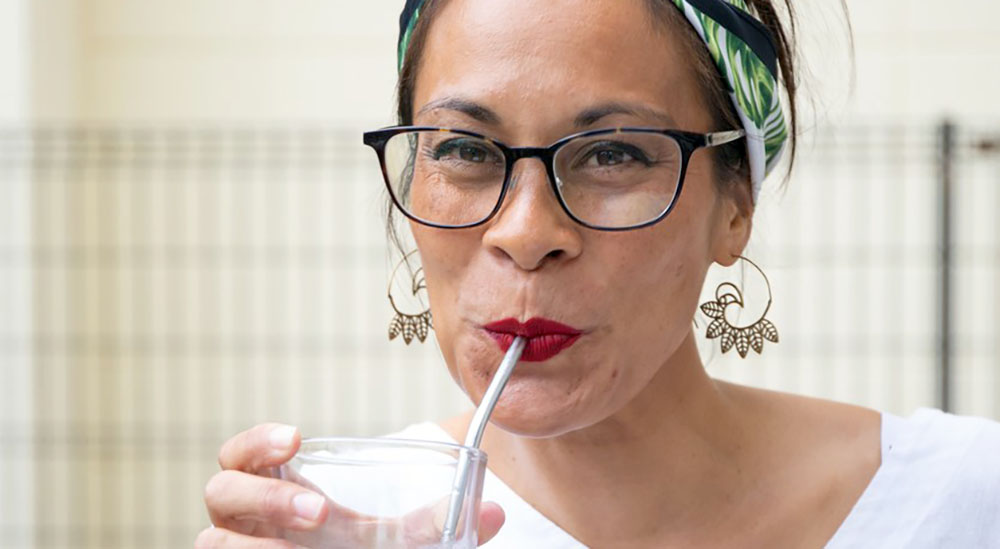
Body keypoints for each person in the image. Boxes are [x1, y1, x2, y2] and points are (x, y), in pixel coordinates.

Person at [197, 0, 1000, 547]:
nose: (524, 232)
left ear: (736, 206)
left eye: (613, 153)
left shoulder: (962, 501)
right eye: (468, 151)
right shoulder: (357, 523)